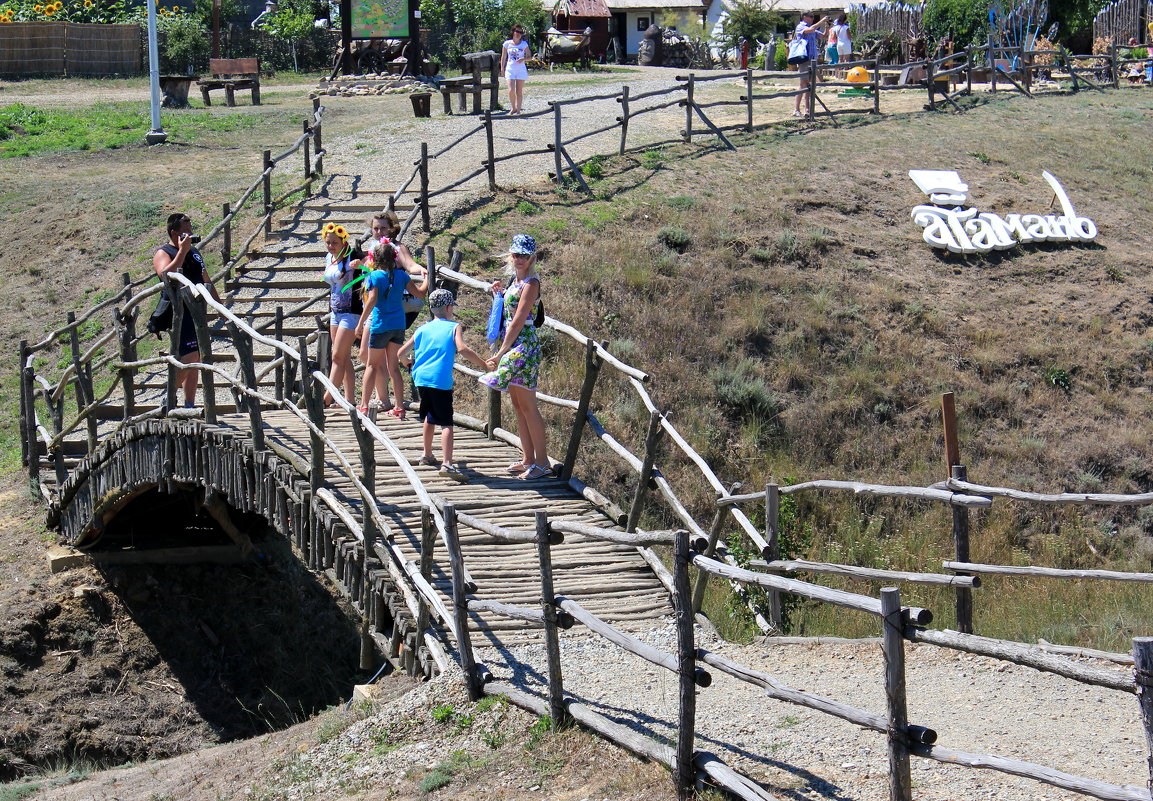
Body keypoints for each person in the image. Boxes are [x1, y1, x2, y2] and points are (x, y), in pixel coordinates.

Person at [479, 234, 550, 480]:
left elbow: (519, 320)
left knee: (529, 406)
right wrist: (498, 294)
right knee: (519, 406)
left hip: (524, 347)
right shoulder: (515, 281)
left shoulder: (531, 283)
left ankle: (542, 462)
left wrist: (500, 352)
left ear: (532, 258)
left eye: (524, 255)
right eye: (516, 254)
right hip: (514, 346)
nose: (519, 259)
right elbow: (509, 313)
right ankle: (528, 458)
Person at [398, 289, 486, 481]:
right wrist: (484, 364)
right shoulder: (454, 327)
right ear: (448, 307)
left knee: (429, 415)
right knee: (446, 422)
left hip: (421, 378)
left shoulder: (422, 328)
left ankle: (427, 453)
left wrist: (408, 363)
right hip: (440, 379)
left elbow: (401, 353)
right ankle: (447, 463)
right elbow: (462, 348)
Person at [152, 213, 221, 408]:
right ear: (174, 233)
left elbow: (205, 279)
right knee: (190, 356)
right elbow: (166, 275)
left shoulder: (195, 252)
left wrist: (219, 306)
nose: (190, 236)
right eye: (186, 233)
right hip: (178, 313)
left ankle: (189, 404)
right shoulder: (163, 253)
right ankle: (169, 395)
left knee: (196, 355)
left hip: (196, 311)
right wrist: (182, 251)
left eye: (191, 233)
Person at [356, 241, 428, 417]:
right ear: (394, 258)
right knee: (393, 367)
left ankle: (364, 405)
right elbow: (420, 293)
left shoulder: (374, 276)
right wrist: (427, 277)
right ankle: (399, 407)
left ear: (374, 259)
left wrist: (360, 323)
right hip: (398, 325)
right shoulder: (401, 276)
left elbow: (372, 300)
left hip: (380, 325)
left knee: (372, 365)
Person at [320, 222, 364, 407]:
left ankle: (327, 399)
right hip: (335, 310)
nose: (331, 246)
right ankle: (349, 399)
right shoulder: (329, 257)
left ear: (343, 242)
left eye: (334, 242)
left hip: (351, 311)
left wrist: (361, 264)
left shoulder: (352, 256)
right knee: (343, 356)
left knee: (337, 356)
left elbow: (371, 263)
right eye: (328, 242)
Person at [368, 211, 425, 330]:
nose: (379, 232)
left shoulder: (397, 247)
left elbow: (410, 265)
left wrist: (423, 270)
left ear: (391, 229)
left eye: (383, 228)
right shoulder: (374, 247)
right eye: (376, 228)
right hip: (381, 301)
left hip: (397, 300)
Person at [793, 12, 828, 117]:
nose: (813, 18)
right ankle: (796, 109)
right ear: (805, 17)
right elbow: (810, 30)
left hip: (813, 59)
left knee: (809, 85)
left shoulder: (812, 27)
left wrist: (826, 26)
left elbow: (824, 36)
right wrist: (821, 21)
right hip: (804, 58)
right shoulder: (801, 27)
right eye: (811, 17)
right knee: (803, 84)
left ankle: (807, 109)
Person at [501, 24, 532, 115]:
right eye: (517, 32)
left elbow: (530, 56)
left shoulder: (523, 44)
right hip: (510, 68)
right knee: (510, 89)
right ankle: (513, 107)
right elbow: (503, 57)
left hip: (520, 69)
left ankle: (518, 110)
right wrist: (502, 68)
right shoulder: (507, 44)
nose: (518, 34)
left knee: (519, 90)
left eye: (520, 32)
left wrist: (523, 59)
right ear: (513, 32)